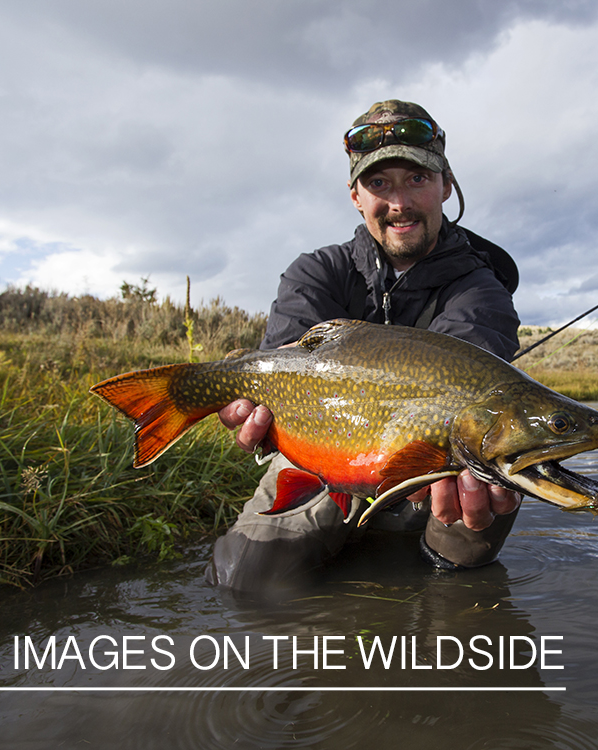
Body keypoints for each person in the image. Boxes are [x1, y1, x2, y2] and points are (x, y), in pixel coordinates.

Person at [204, 100, 523, 592]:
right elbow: (280, 376)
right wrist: (251, 409)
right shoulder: (316, 273)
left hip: (436, 470)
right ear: (356, 196)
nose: (399, 203)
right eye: (380, 184)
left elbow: (467, 395)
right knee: (245, 580)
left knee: (464, 571)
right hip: (321, 458)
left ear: (445, 186)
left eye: (417, 179)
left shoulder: (482, 288)